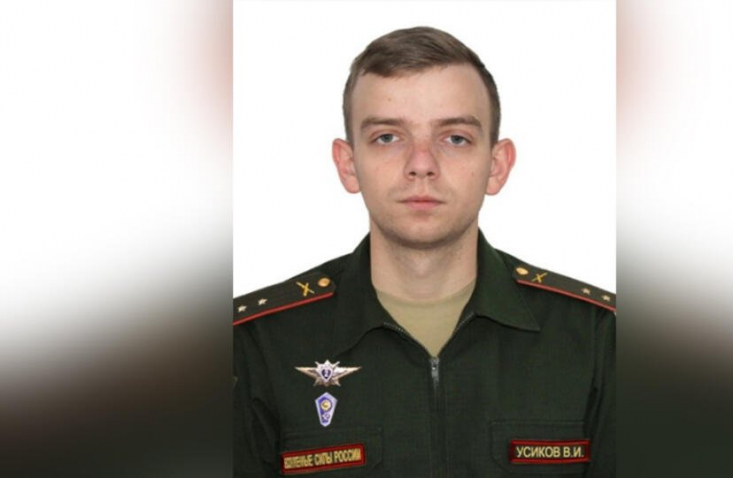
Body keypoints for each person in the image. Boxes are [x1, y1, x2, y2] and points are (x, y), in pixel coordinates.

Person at [233, 26, 615, 477]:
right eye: (387, 137)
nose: (421, 165)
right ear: (348, 164)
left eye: (454, 138)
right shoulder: (254, 345)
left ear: (496, 166)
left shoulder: (599, 339)